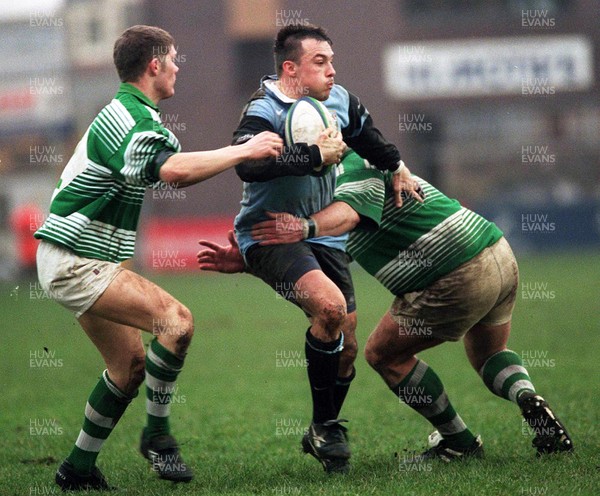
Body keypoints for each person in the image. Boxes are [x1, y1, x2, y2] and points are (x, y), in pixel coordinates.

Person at [198, 149, 574, 461]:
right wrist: (252, 263)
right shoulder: (345, 180)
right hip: (497, 252)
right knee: (490, 355)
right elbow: (324, 261)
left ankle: (458, 442)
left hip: (457, 272)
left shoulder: (350, 164)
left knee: (383, 354)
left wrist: (301, 228)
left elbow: (345, 215)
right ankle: (528, 398)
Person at [34, 25, 283, 491]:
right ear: (154, 65)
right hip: (75, 260)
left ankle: (77, 470)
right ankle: (158, 437)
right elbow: (175, 173)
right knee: (176, 321)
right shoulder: (131, 121)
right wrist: (245, 150)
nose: (177, 67)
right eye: (173, 58)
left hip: (80, 260)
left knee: (128, 368)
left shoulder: (132, 115)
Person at [229, 24, 421, 473]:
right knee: (330, 310)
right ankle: (327, 428)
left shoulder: (339, 100)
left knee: (348, 345)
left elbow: (366, 135)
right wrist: (312, 157)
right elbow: (249, 166)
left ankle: (322, 430)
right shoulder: (263, 109)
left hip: (324, 238)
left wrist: (397, 166)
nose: (332, 71)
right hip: (270, 233)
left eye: (332, 61)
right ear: (290, 68)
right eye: (321, 62)